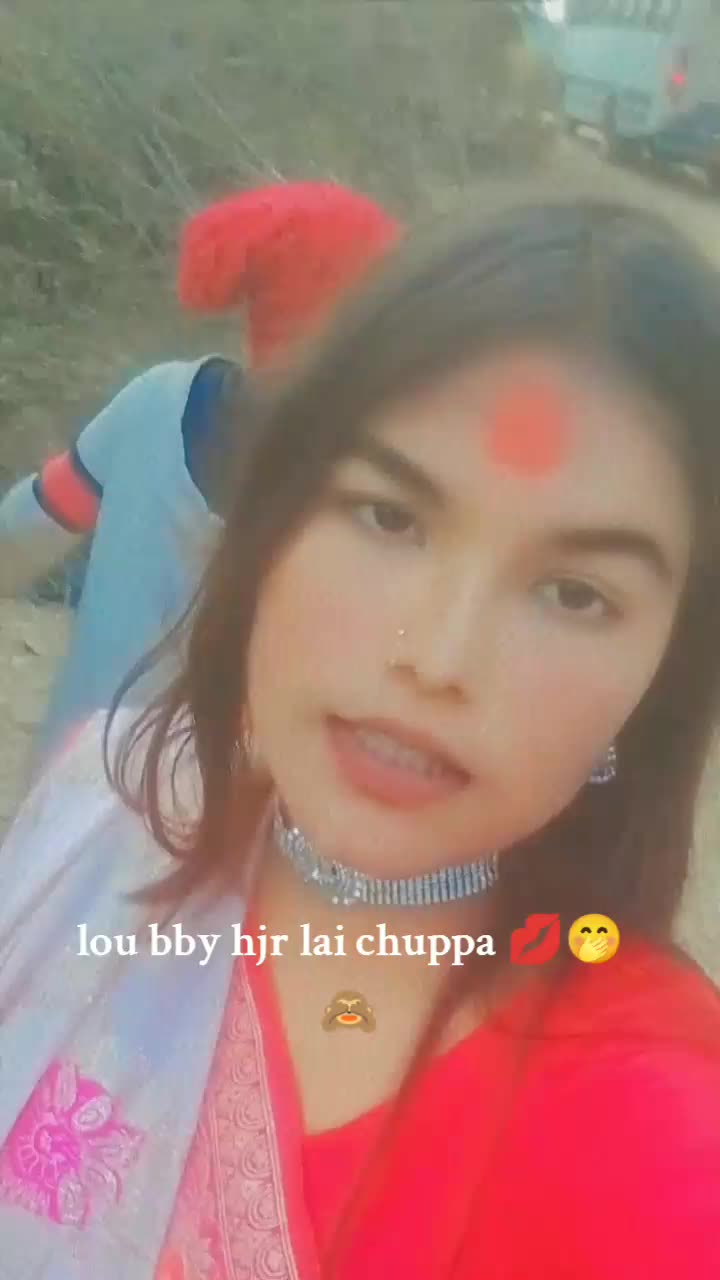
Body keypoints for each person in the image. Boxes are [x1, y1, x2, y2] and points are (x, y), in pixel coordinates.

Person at [0, 184, 720, 1280]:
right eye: (389, 516)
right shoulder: (111, 813)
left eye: (574, 593)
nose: (437, 657)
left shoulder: (650, 1149)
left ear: (663, 673)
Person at [0, 181, 401, 766]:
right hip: (221, 801)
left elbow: (34, 521)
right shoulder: (364, 481)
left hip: (70, 780)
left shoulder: (157, 400)